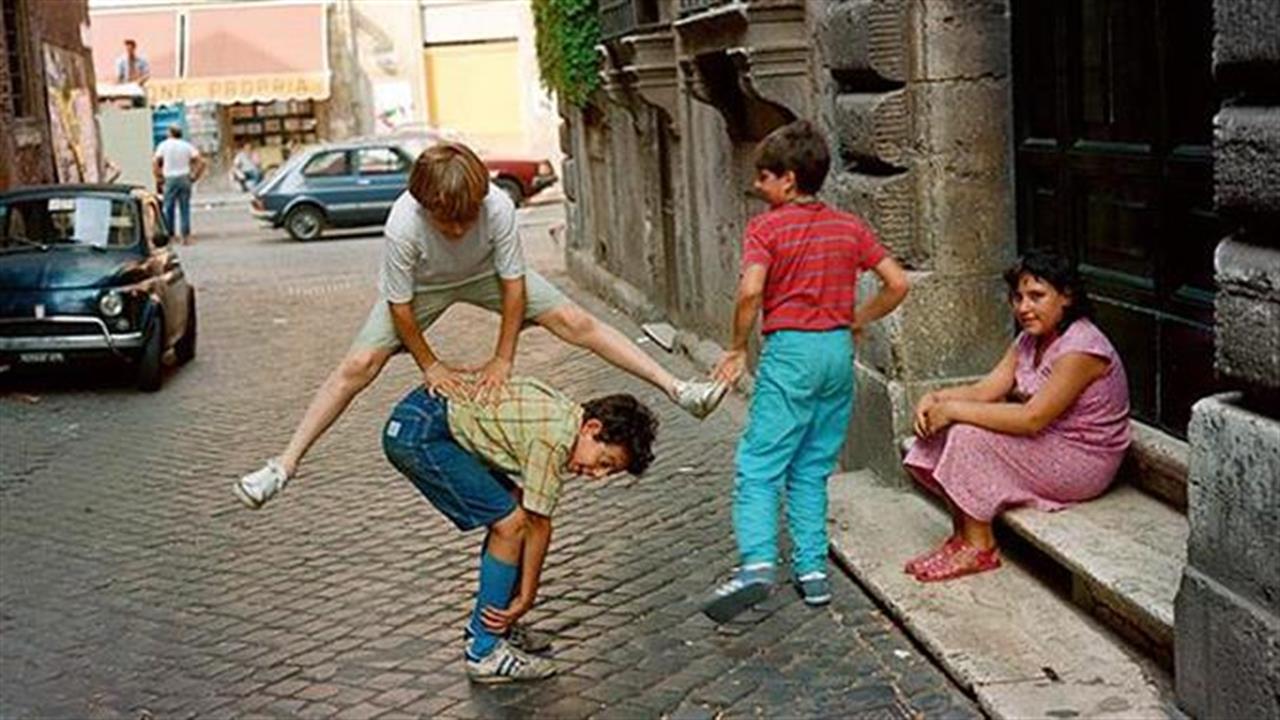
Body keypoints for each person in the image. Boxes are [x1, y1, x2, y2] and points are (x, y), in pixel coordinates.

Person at [234, 142, 724, 509]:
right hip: (423, 289)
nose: (455, 230)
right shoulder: (402, 224)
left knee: (575, 320)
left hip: (487, 277)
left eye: (464, 220)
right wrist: (430, 364)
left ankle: (680, 388)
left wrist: (502, 357)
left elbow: (513, 286)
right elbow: (400, 306)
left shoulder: (497, 206)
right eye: (445, 222)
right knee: (358, 365)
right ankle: (283, 465)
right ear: (425, 206)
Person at [703, 120, 909, 622]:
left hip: (790, 352)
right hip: (837, 353)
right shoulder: (849, 227)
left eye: (764, 177)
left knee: (758, 465)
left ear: (789, 181)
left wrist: (735, 346)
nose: (757, 186)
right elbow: (897, 284)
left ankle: (756, 566)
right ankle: (813, 572)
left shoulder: (767, 229)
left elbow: (751, 291)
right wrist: (856, 320)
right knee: (813, 467)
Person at [381, 376, 658, 682]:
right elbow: (539, 525)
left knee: (513, 507)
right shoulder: (553, 441)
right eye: (604, 462)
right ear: (591, 428)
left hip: (425, 416)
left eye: (609, 471)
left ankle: (498, 626)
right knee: (511, 525)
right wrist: (527, 597)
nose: (598, 475)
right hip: (421, 434)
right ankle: (484, 651)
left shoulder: (565, 415)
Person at [902, 249, 1130, 582]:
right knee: (944, 426)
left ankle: (981, 548)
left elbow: (1032, 418)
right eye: (1018, 297)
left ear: (1066, 297)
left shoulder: (1082, 348)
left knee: (967, 433)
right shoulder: (1029, 339)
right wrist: (935, 398)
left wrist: (952, 411)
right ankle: (961, 538)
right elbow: (985, 391)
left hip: (1083, 460)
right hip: (1048, 441)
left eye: (1037, 296)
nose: (1024, 307)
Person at [152, 124, 204, 245]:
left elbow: (155, 162)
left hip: (169, 178)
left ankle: (170, 235)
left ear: (170, 133)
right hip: (184, 177)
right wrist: (195, 176)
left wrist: (158, 176)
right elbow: (201, 161)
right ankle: (185, 236)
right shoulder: (186, 146)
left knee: (168, 208)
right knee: (184, 208)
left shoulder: (163, 145)